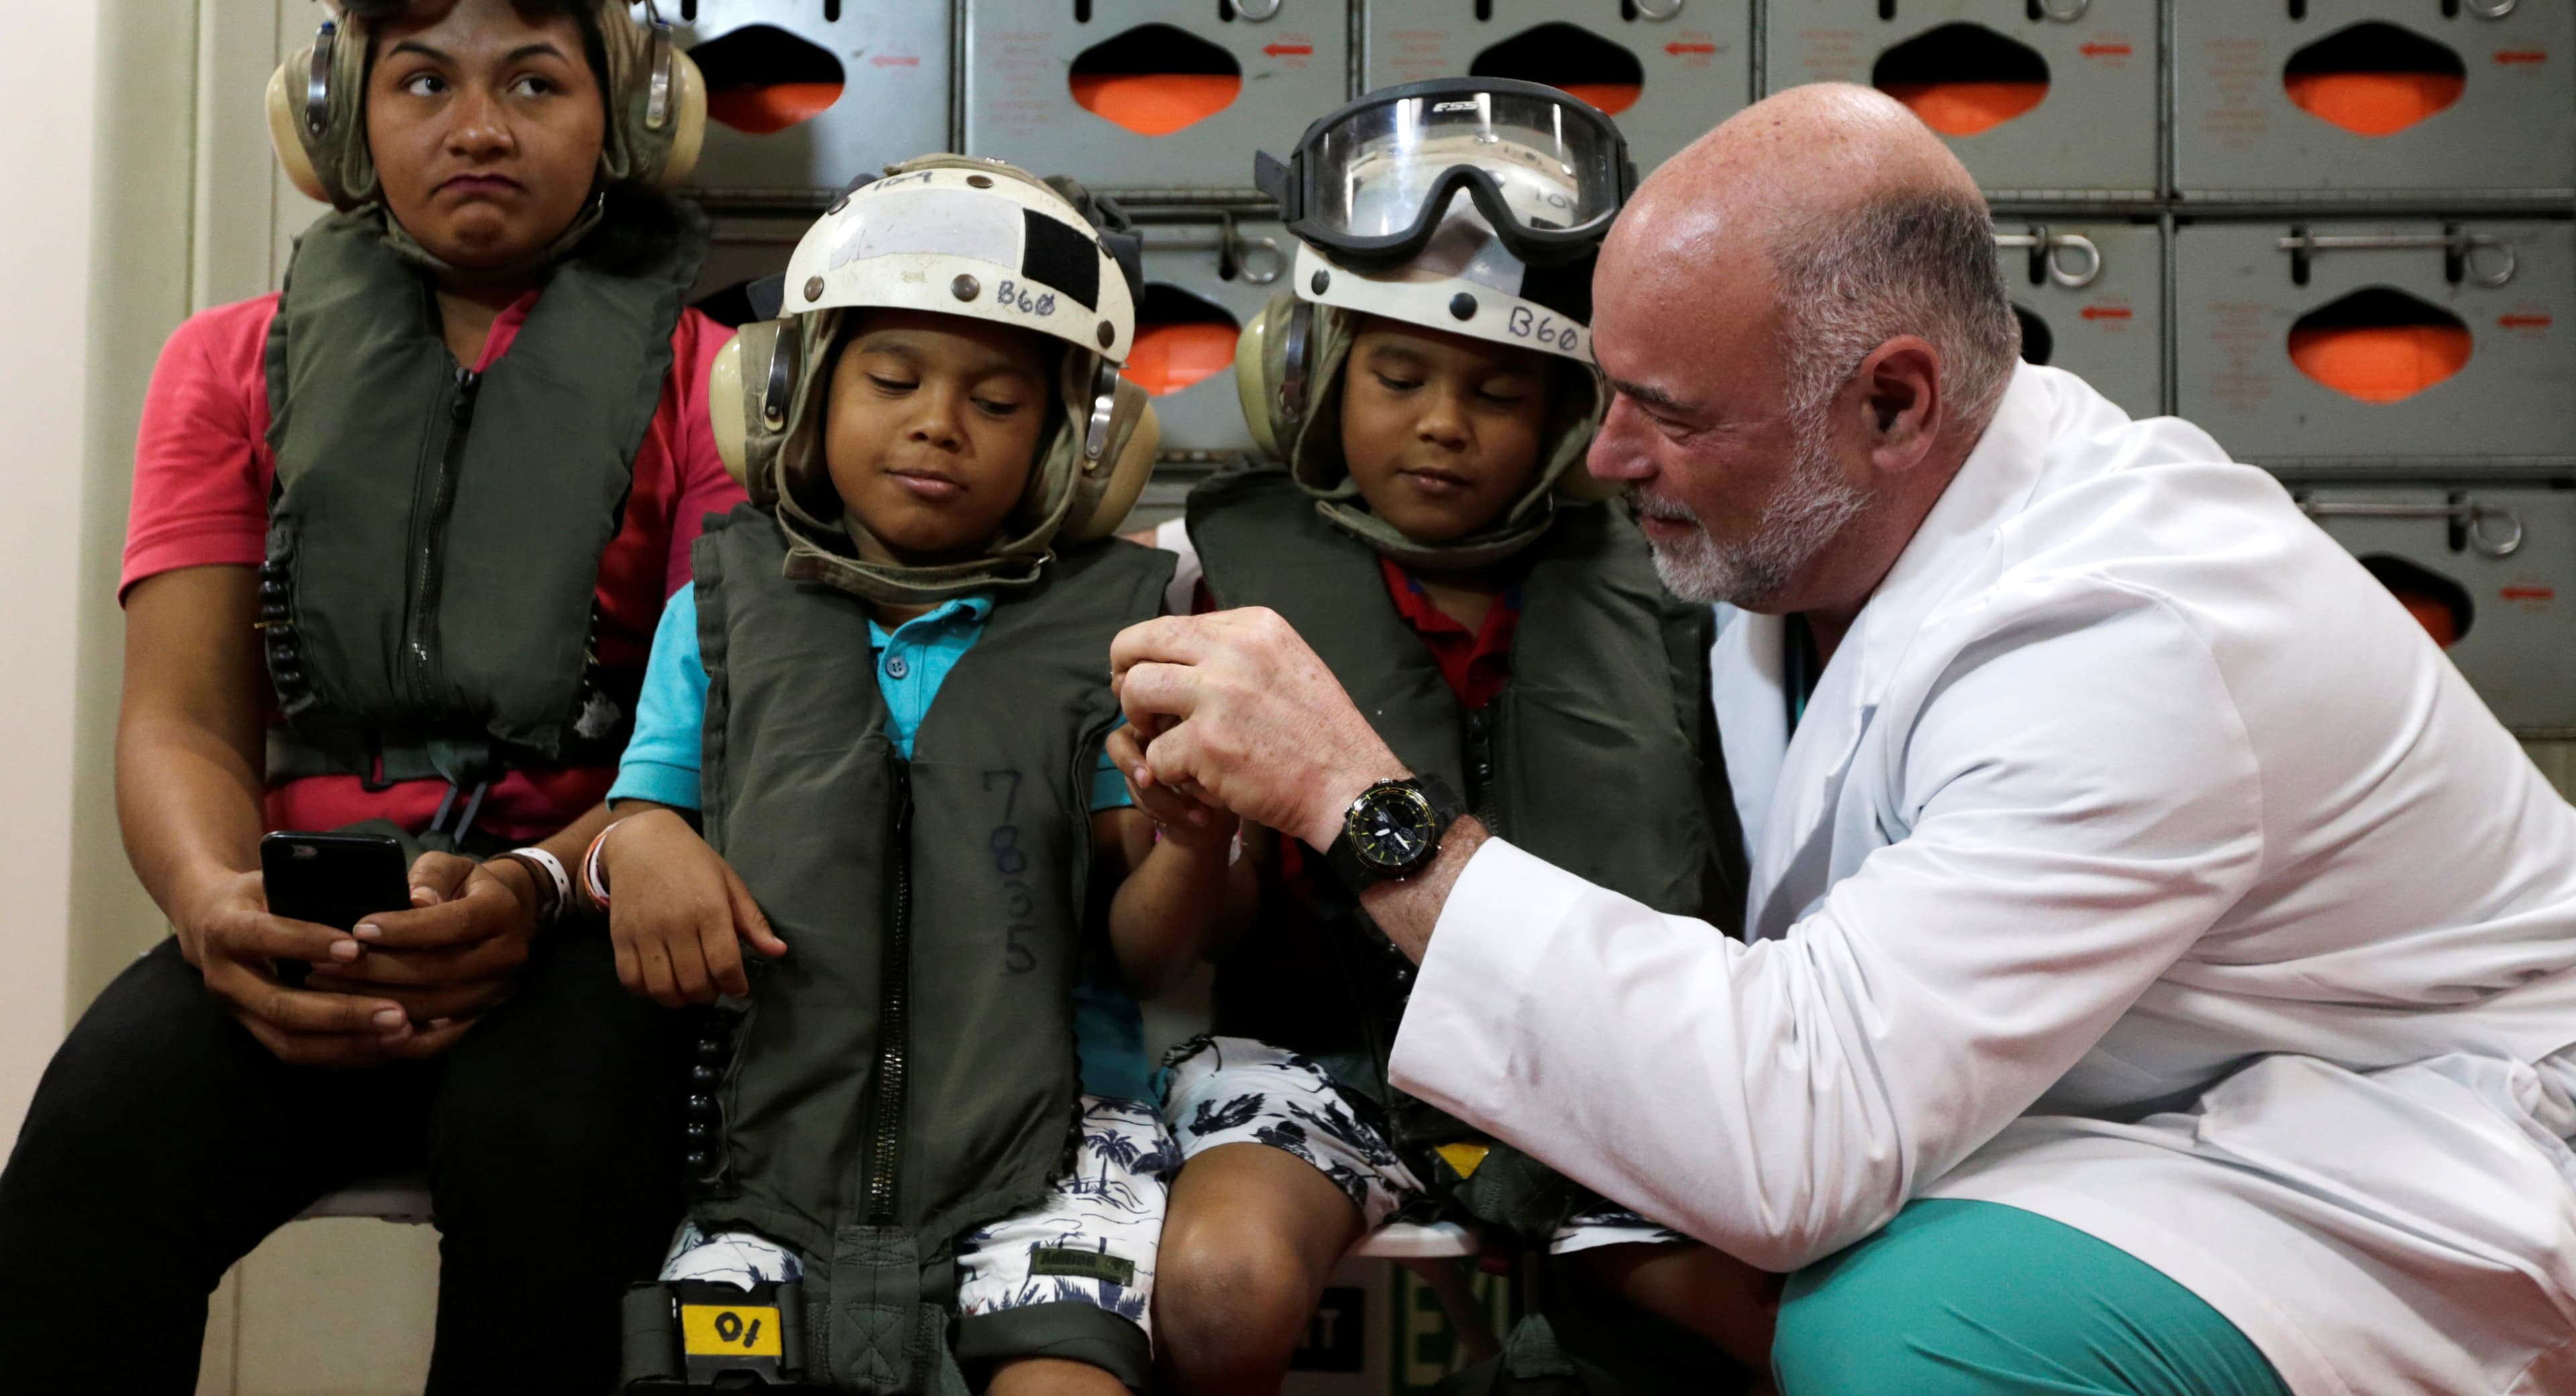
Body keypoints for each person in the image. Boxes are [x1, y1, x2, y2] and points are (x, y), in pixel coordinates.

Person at [1106, 83, 2576, 1395]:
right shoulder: (1797, 536)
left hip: (2381, 1150)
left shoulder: (2131, 641)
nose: (1605, 458)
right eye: (1608, 392)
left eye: (1665, 411)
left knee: (1901, 1335)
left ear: (1891, 401)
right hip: (2099, 1096)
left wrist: (1362, 802)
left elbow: (1790, 1143)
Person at [0, 0, 739, 1391]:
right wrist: (219, 912)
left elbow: (726, 738)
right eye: (421, 82)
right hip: (298, 921)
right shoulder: (224, 364)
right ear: (337, 114)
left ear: (628, 111)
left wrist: (537, 883)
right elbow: (182, 713)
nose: (478, 124)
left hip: (574, 930)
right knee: (86, 1158)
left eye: (534, 81)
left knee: (547, 1167)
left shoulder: (716, 382)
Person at [1140, 80, 1764, 1393]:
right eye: (1400, 374)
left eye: (1496, 389)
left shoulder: (1674, 590)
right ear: (1307, 374)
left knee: (1755, 1315)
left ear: (1566, 418)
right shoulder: (1209, 569)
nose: (1441, 420)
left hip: (1593, 1065)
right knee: (1219, 1296)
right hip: (1325, 1063)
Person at [596, 157, 1237, 1395]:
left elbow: (1150, 957)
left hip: (1057, 1153)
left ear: (1078, 447)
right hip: (769, 1161)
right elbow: (648, 816)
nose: (938, 422)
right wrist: (643, 840)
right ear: (791, 394)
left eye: (999, 403)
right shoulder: (715, 613)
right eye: (892, 381)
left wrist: (1193, 844)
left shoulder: (1126, 638)